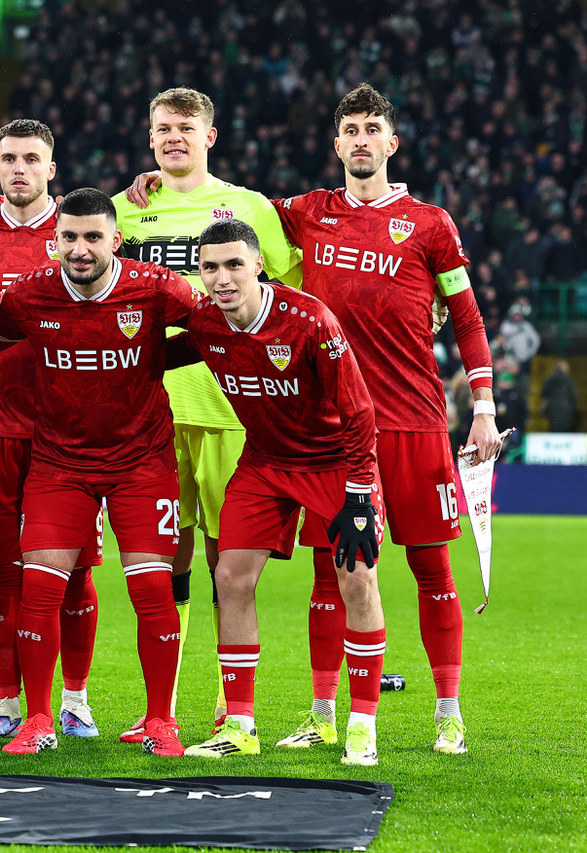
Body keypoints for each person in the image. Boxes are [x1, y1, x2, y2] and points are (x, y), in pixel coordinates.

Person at [270, 84, 500, 755]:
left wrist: (482, 411)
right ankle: (321, 715)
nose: (363, 140)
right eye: (352, 130)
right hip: (332, 428)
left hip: (414, 422)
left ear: (391, 144)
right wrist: (157, 182)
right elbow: (236, 207)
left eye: (374, 129)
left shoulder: (432, 224)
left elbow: (467, 318)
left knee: (433, 568)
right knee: (326, 573)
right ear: (336, 143)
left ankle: (448, 713)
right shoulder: (308, 213)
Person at [115, 88, 302, 740]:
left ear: (210, 135)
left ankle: (231, 703)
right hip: (150, 410)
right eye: (163, 128)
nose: (173, 138)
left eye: (185, 128)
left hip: (230, 411)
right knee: (164, 559)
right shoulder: (124, 212)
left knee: (231, 562)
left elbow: (291, 286)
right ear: (149, 137)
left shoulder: (247, 207)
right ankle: (159, 708)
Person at [0, 188, 199, 757]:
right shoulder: (29, 297)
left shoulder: (155, 288)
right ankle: (36, 719)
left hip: (142, 461)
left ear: (116, 240)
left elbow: (213, 327)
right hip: (59, 462)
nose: (80, 250)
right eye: (69, 238)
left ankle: (160, 721)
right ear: (54, 241)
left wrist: (158, 354)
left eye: (92, 237)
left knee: (153, 587)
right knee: (39, 587)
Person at [174, 219, 386, 766]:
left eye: (234, 265)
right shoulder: (204, 324)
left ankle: (362, 725)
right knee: (230, 575)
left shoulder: (310, 319)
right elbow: (155, 352)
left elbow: (360, 414)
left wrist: (361, 495)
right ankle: (240, 724)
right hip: (265, 463)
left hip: (333, 463)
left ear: (258, 265)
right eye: (210, 267)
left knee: (356, 578)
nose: (222, 278)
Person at [0, 119, 104, 740]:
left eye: (32, 158)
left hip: (65, 428)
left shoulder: (76, 231)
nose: (19, 168)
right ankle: (8, 701)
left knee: (75, 572)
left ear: (51, 170)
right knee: (2, 568)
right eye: (8, 157)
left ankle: (76, 699)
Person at [541, 359, 578, 433]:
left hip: (552, 408)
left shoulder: (550, 379)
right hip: (565, 408)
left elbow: (544, 393)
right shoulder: (568, 380)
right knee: (564, 429)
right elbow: (573, 396)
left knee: (553, 429)